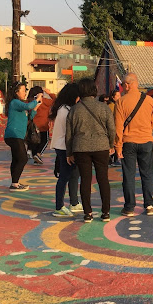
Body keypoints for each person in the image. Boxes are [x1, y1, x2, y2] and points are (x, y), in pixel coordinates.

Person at [66, 78, 115, 223]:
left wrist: (69, 153)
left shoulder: (75, 109)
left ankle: (88, 213)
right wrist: (110, 144)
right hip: (101, 147)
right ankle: (105, 212)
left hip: (81, 147)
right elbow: (112, 128)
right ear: (94, 90)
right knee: (103, 179)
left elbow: (69, 133)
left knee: (85, 180)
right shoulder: (104, 107)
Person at [114, 73, 153, 217]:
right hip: (146, 141)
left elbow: (118, 127)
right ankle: (149, 205)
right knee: (147, 174)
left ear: (127, 85)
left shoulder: (121, 102)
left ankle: (129, 207)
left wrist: (118, 147)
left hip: (128, 143)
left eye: (122, 85)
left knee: (129, 176)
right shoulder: (149, 100)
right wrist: (145, 130)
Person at [48, 83, 83, 217]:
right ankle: (59, 206)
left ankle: (74, 202)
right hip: (64, 147)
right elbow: (69, 132)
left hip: (63, 145)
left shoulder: (64, 108)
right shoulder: (66, 110)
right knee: (64, 176)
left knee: (73, 174)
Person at [4, 82, 41, 191]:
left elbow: (29, 117)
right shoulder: (15, 102)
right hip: (14, 135)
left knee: (16, 159)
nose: (25, 93)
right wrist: (37, 99)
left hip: (17, 135)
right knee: (23, 158)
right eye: (23, 90)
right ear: (16, 92)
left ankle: (14, 183)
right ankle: (15, 183)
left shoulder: (19, 104)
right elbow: (28, 106)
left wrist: (35, 108)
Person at [27, 86, 55, 164]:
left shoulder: (29, 101)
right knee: (45, 141)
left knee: (34, 140)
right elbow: (56, 100)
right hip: (43, 125)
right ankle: (38, 154)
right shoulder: (44, 101)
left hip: (32, 125)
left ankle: (33, 153)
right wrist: (49, 93)